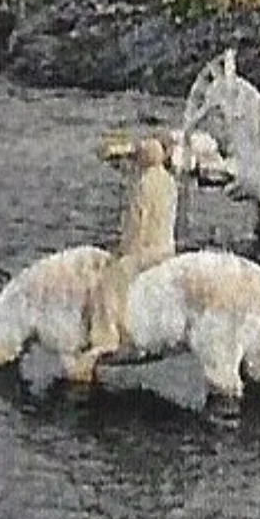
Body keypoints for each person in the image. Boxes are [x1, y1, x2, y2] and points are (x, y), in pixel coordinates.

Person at [76, 134, 179, 378]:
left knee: (108, 281)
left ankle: (107, 336)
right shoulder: (169, 181)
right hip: (168, 248)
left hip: (147, 252)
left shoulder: (144, 184)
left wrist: (122, 252)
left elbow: (137, 225)